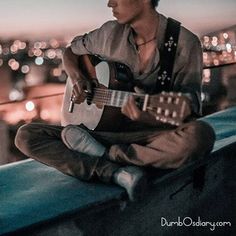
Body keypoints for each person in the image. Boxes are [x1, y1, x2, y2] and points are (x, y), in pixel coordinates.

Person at [15, 0, 215, 201]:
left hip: (149, 137)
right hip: (101, 133)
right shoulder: (110, 33)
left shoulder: (184, 43)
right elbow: (70, 52)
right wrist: (78, 78)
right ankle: (116, 172)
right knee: (26, 135)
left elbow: (189, 111)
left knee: (200, 135)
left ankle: (109, 158)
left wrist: (148, 117)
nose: (110, 3)